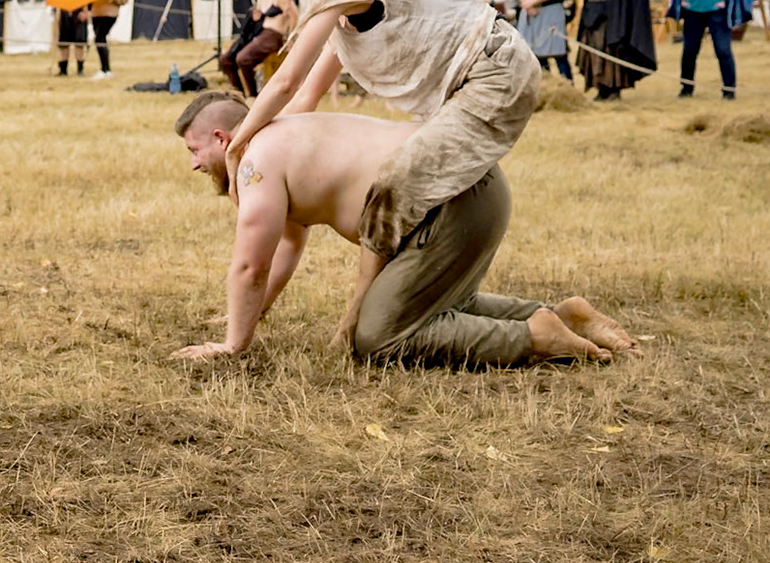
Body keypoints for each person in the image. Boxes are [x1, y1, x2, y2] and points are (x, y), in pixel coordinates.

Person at [223, 0, 541, 352]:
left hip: (496, 72)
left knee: (395, 181)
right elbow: (305, 97)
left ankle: (352, 322)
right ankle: (538, 316)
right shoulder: (344, 6)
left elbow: (286, 79)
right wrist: (268, 149)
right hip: (475, 80)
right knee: (404, 181)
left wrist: (239, 143)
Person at [171, 93, 633, 367]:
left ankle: (534, 337)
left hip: (450, 200)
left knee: (379, 336)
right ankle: (562, 314)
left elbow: (252, 264)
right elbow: (285, 247)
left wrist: (232, 346)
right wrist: (248, 318)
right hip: (476, 188)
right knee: (433, 303)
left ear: (221, 139)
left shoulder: (254, 163)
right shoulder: (284, 133)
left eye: (194, 150)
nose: (193, 163)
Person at [218, 0, 298, 98]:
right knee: (225, 60)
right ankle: (239, 93)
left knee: (243, 58)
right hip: (260, 35)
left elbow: (294, 15)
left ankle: (254, 96)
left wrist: (290, 37)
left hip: (273, 36)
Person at [88, 0, 129, 78]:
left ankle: (106, 69)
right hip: (96, 13)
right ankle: (104, 68)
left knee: (99, 38)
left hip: (109, 14)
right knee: (100, 40)